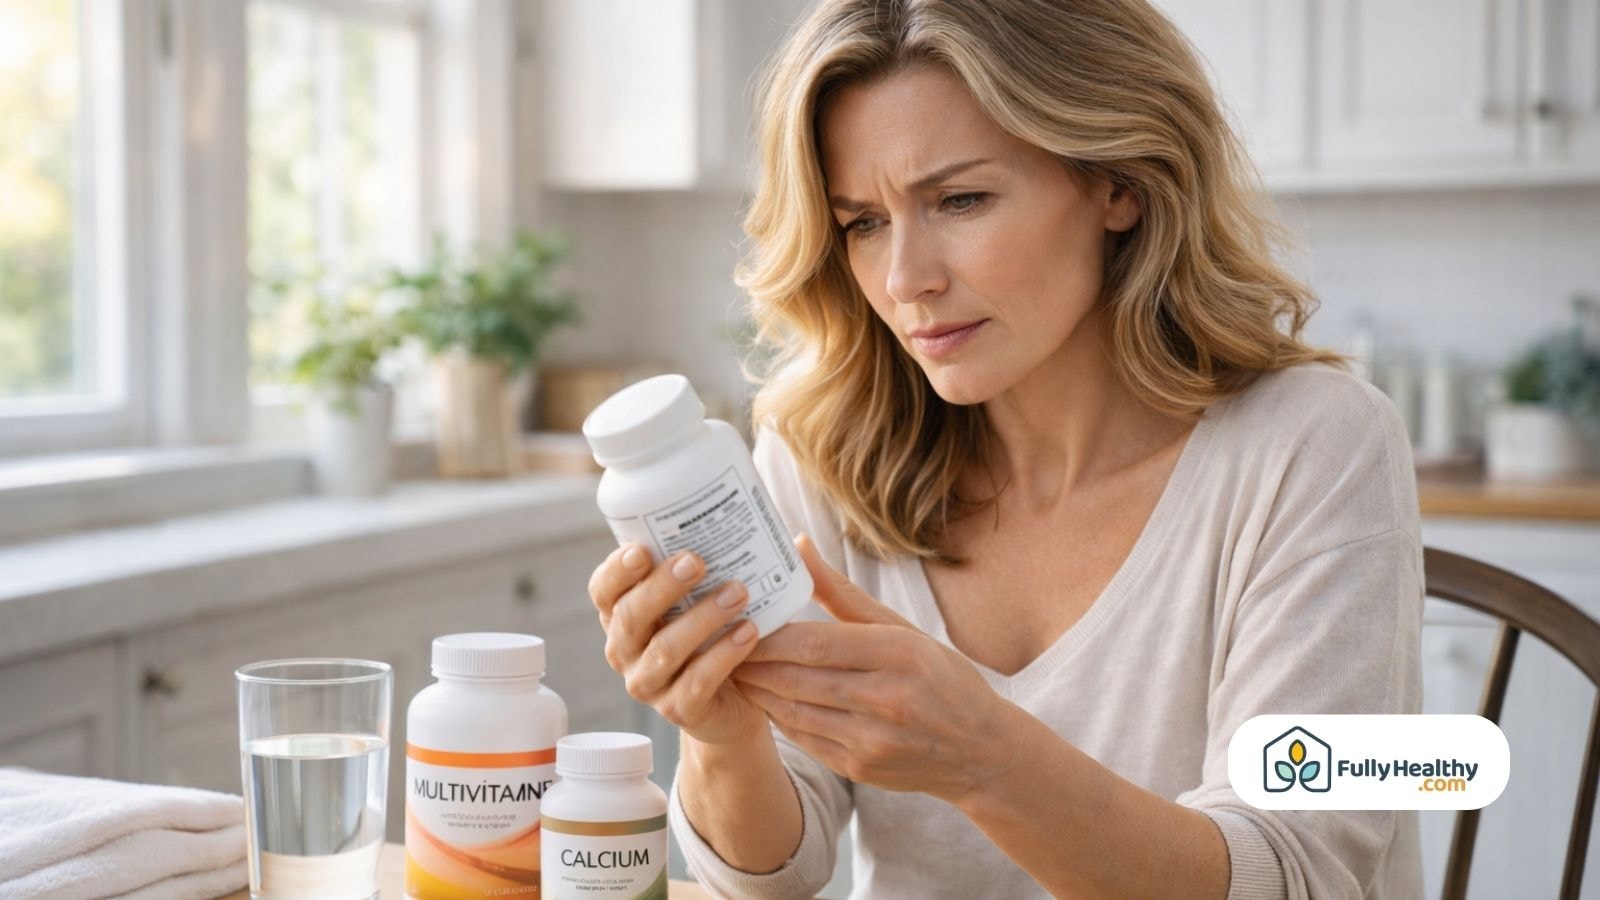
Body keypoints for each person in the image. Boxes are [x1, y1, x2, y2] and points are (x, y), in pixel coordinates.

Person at [585, 0, 1423, 897]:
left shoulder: (1317, 446)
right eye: (864, 222)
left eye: (960, 199)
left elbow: (1301, 876)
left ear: (1119, 182)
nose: (906, 279)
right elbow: (768, 878)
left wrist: (984, 757)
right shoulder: (822, 451)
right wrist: (723, 736)